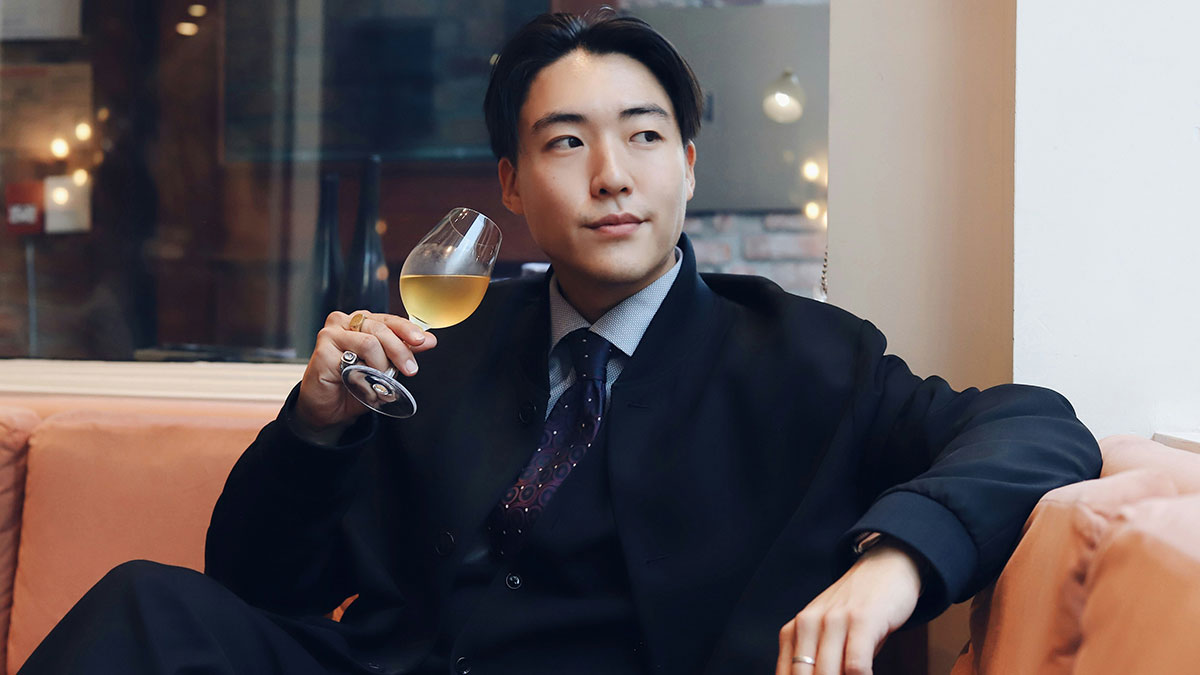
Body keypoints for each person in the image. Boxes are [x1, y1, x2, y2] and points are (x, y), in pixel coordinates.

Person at [20, 10, 1100, 675]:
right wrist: (317, 426)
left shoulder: (807, 356)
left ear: (687, 165)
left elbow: (1037, 428)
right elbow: (261, 585)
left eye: (643, 136)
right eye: (567, 142)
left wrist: (896, 563)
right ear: (511, 183)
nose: (611, 175)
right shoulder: (446, 345)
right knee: (145, 603)